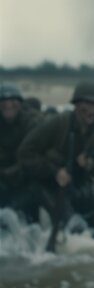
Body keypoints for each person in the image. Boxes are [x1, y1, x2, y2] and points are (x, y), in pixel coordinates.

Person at [18, 80, 94, 238]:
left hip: (81, 186)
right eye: (85, 104)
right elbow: (26, 152)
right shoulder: (58, 123)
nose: (90, 109)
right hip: (51, 186)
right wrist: (54, 172)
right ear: (76, 104)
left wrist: (91, 164)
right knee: (73, 230)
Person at [0, 82, 43, 220]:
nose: (8, 105)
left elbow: (33, 154)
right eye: (4, 101)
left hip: (26, 178)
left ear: (20, 103)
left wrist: (12, 171)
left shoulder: (31, 122)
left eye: (13, 101)